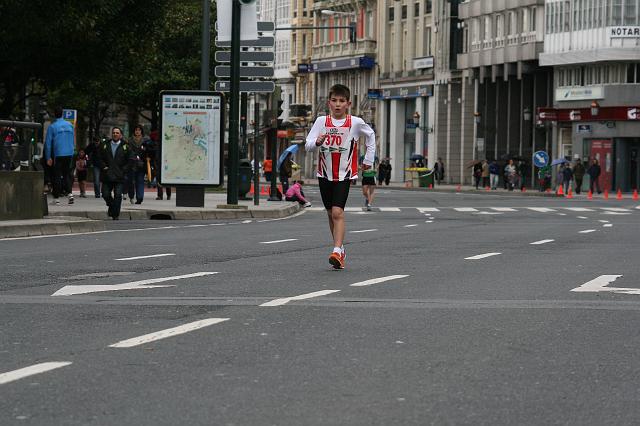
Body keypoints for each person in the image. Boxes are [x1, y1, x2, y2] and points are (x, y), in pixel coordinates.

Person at [305, 83, 376, 270]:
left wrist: (368, 159)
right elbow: (308, 144)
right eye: (334, 101)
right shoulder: (321, 121)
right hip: (324, 173)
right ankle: (340, 248)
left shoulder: (355, 122)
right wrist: (317, 142)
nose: (338, 104)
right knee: (330, 213)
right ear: (329, 103)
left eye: (342, 101)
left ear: (348, 104)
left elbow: (371, 136)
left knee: (337, 212)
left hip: (344, 174)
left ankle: (336, 249)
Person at [98, 127, 132, 220]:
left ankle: (115, 214)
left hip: (119, 175)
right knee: (105, 194)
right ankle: (112, 207)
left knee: (117, 195)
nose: (115, 134)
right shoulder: (105, 145)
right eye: (113, 133)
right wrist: (103, 166)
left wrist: (124, 170)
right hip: (107, 175)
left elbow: (131, 160)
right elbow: (99, 157)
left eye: (117, 133)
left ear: (120, 135)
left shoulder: (125, 146)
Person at [43, 107, 75, 205]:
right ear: (62, 114)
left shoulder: (52, 127)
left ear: (54, 114)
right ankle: (70, 194)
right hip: (69, 153)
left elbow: (48, 144)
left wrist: (48, 157)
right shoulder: (70, 125)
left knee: (56, 176)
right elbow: (73, 140)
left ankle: (56, 198)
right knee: (67, 174)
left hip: (58, 153)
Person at [125, 125, 148, 204]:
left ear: (141, 131)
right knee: (131, 181)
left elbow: (148, 150)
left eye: (139, 130)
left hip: (142, 163)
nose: (137, 131)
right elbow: (128, 150)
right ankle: (131, 195)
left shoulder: (145, 140)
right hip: (132, 163)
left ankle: (140, 197)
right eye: (136, 130)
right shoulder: (130, 140)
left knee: (140, 180)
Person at [150, 130, 171, 200]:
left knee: (163, 179)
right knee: (161, 179)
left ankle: (165, 195)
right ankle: (163, 195)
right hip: (159, 162)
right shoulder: (158, 143)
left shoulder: (159, 143)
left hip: (162, 162)